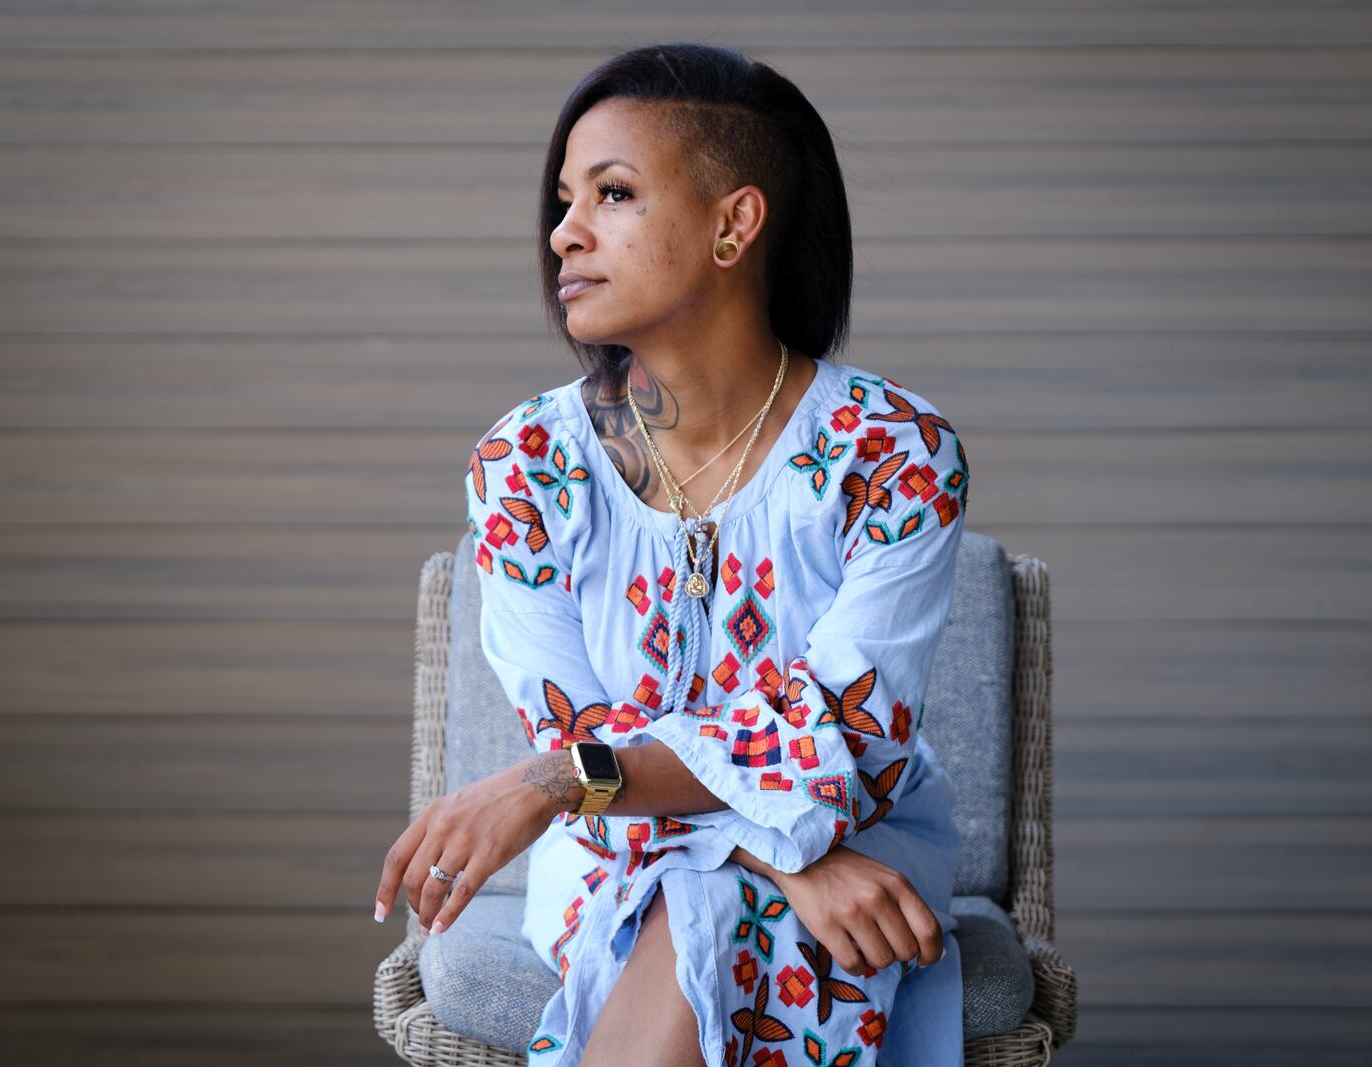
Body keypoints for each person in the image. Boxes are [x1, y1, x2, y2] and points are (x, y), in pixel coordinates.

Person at [375, 42, 970, 1067]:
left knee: (721, 903)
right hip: (619, 844)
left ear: (734, 223)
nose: (564, 232)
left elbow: (847, 738)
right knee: (726, 894)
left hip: (851, 829)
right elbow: (577, 735)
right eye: (564, 199)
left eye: (611, 194)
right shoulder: (523, 465)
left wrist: (558, 783)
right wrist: (778, 859)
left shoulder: (894, 455)